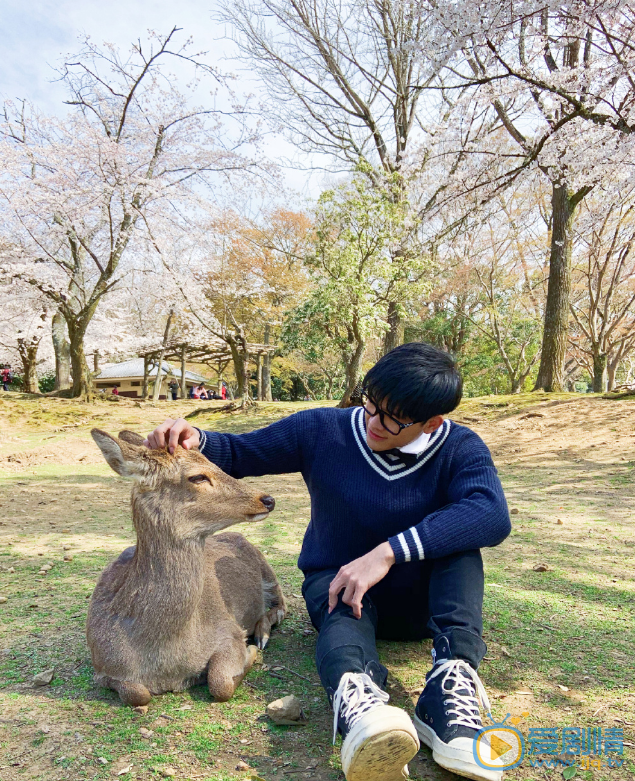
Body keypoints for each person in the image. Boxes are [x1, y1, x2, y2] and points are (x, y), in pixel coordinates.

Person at [144, 343, 511, 781]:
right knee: (341, 605)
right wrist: (195, 438)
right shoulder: (322, 429)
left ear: (433, 422)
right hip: (340, 586)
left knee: (460, 544)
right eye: (371, 403)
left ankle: (450, 689)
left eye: (394, 418)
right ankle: (361, 705)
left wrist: (386, 553)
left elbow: (492, 513)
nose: (374, 422)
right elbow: (243, 452)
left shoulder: (460, 447)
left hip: (425, 605)